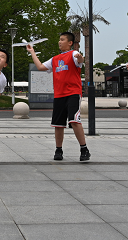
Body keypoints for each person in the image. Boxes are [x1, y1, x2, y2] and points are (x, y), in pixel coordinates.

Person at [27, 32, 90, 162]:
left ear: (70, 43)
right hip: (59, 94)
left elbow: (80, 60)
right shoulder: (54, 59)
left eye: (62, 40)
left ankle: (84, 149)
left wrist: (80, 58)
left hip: (73, 93)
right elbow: (40, 67)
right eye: (59, 40)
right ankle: (58, 150)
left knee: (74, 120)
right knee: (58, 124)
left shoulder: (72, 54)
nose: (59, 42)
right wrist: (32, 52)